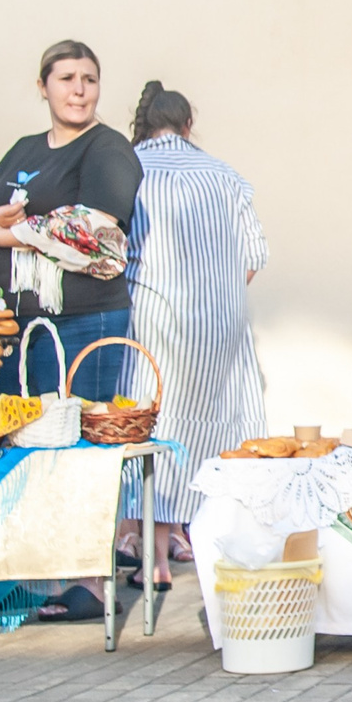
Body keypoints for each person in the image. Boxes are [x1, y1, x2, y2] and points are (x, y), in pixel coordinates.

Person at [0, 42, 139, 624]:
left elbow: (96, 229)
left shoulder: (108, 149)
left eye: (90, 79)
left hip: (83, 317)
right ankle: (43, 571)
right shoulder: (24, 149)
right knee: (30, 445)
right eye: (66, 78)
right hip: (20, 322)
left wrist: (9, 232)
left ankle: (92, 579)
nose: (79, 89)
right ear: (42, 85)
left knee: (81, 445)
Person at [123, 82, 267, 590]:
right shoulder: (225, 176)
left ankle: (154, 560)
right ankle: (224, 553)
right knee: (216, 434)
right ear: (188, 125)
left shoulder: (128, 168)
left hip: (154, 320)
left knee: (152, 432)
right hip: (220, 328)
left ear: (142, 124)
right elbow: (253, 259)